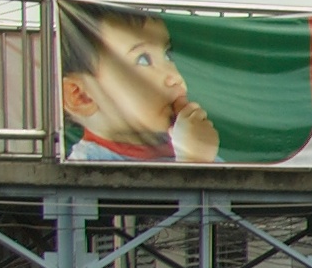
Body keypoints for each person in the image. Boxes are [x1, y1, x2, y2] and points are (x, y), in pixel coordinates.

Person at [61, 9, 219, 162]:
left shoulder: (184, 141)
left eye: (167, 55)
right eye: (143, 59)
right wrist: (194, 162)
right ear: (81, 96)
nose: (176, 78)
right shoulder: (87, 167)